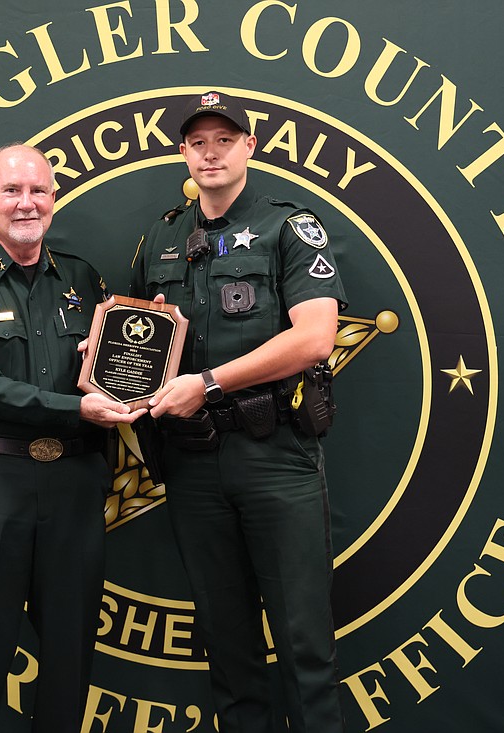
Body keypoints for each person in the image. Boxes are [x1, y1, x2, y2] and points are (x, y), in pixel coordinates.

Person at [128, 92, 348, 731]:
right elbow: (142, 339)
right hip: (193, 463)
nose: (211, 152)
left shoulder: (288, 226)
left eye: (225, 139)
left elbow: (313, 338)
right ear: (183, 153)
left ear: (250, 146)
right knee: (226, 645)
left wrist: (209, 383)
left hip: (275, 455)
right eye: (198, 142)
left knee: (304, 642)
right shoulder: (164, 235)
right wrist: (106, 354)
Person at [0, 143, 143, 733]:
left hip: (74, 484)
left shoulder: (82, 278)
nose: (28, 203)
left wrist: (130, 364)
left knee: (72, 656)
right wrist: (77, 405)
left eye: (39, 190)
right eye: (13, 191)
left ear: (54, 198)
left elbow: (116, 369)